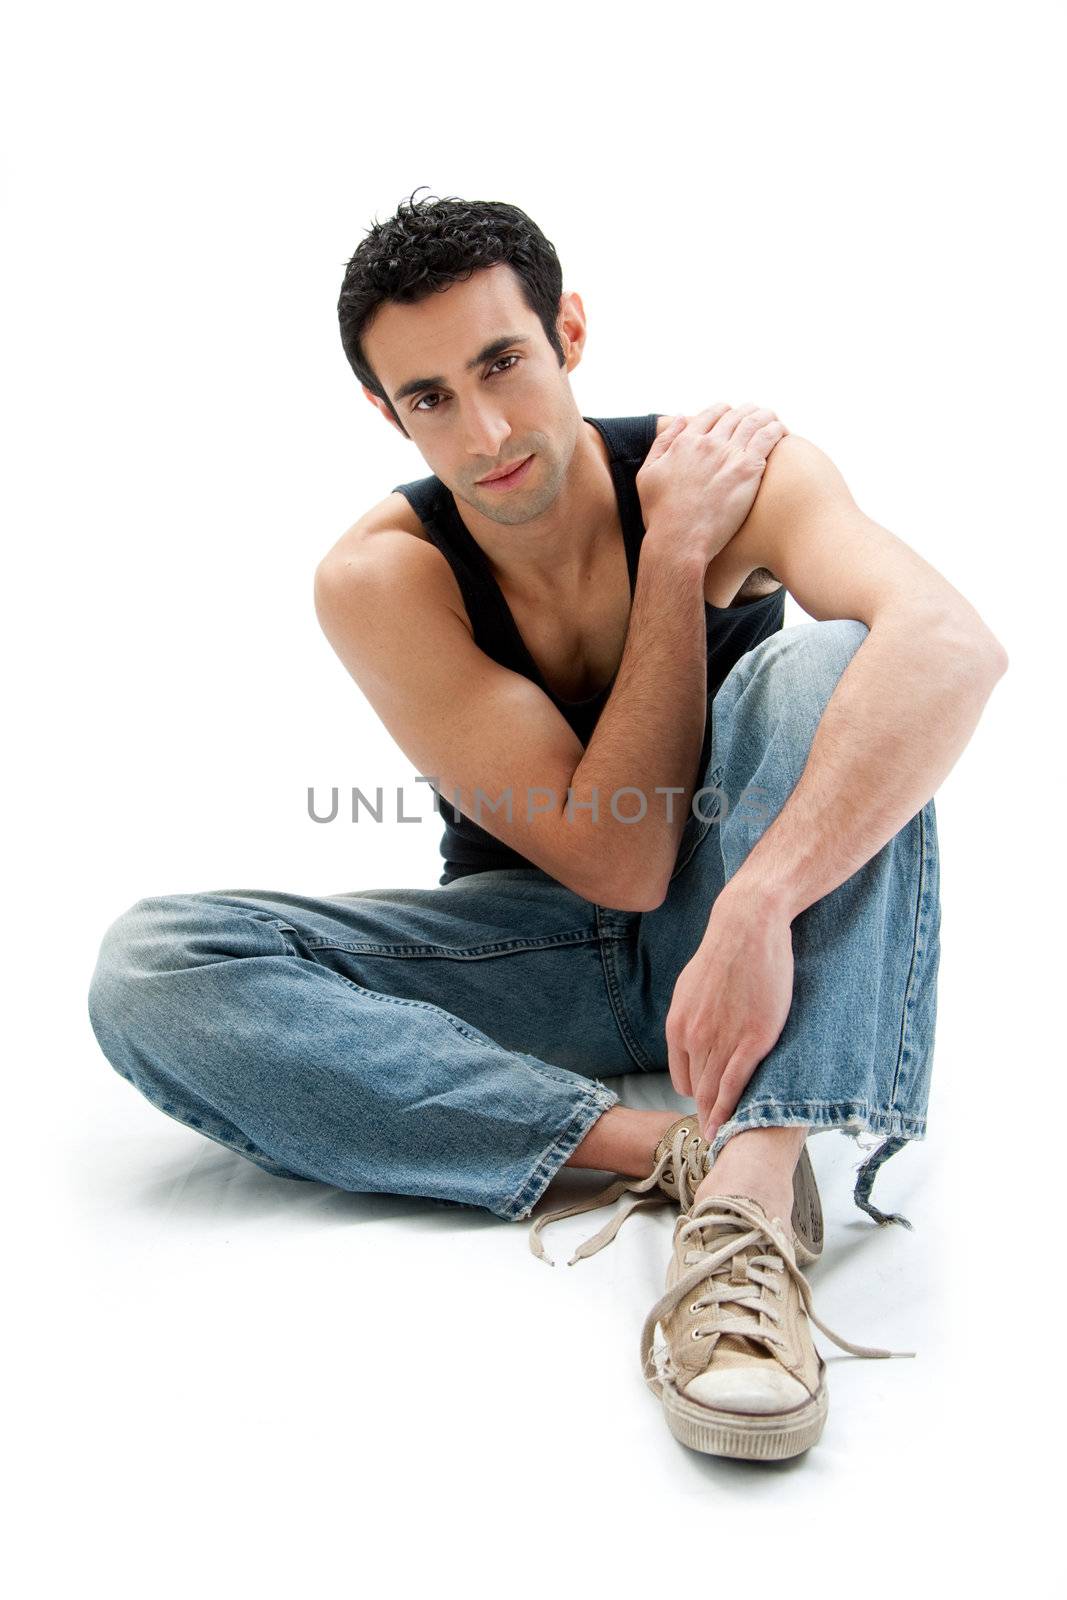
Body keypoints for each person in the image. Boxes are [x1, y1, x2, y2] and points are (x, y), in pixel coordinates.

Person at [87, 189, 1008, 1463]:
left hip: (743, 904)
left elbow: (950, 645)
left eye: (502, 363)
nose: (486, 430)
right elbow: (618, 862)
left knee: (843, 665)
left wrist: (752, 903)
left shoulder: (736, 472)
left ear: (567, 329)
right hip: (537, 946)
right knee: (154, 969)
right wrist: (674, 562)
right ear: (384, 412)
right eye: (428, 399)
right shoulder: (381, 576)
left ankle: (751, 1198)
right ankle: (672, 1152)